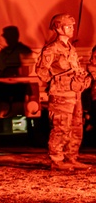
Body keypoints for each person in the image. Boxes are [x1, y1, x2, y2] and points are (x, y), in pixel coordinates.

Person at [36, 13, 90, 170]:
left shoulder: (71, 48)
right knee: (61, 127)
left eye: (72, 26)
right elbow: (41, 72)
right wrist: (58, 80)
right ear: (58, 28)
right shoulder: (51, 49)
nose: (72, 29)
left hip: (74, 94)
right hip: (60, 95)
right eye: (68, 26)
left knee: (76, 127)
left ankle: (71, 157)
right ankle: (57, 160)